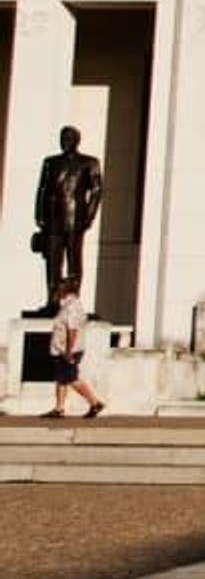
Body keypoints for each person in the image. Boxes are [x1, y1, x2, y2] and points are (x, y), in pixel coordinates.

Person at [35, 128, 103, 308]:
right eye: (63, 138)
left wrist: (88, 217)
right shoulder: (50, 162)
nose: (65, 141)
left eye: (69, 138)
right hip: (52, 218)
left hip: (75, 218)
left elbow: (96, 191)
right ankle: (52, 298)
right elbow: (42, 189)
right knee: (52, 260)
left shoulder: (89, 162)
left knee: (74, 259)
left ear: (77, 141)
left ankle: (72, 299)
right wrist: (39, 214)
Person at [44, 279, 105, 419]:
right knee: (61, 378)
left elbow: (72, 330)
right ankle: (59, 409)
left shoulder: (72, 306)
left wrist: (68, 351)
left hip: (69, 349)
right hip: (61, 349)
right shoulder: (66, 305)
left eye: (58, 288)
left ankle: (95, 403)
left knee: (71, 378)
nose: (55, 291)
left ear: (65, 290)